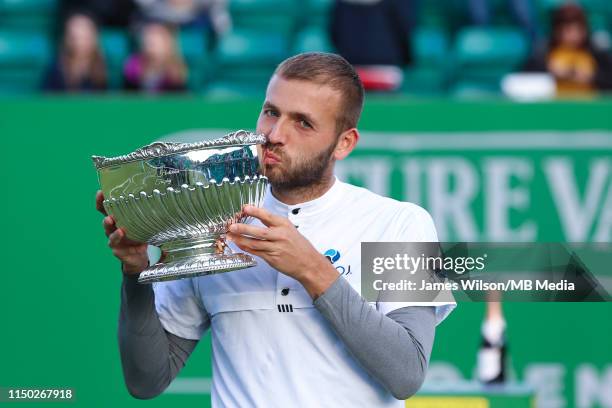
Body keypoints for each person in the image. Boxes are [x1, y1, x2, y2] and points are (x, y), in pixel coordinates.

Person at [96, 52, 456, 406]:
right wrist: (135, 271)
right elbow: (146, 381)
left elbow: (407, 373)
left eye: (303, 123)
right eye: (271, 112)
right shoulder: (214, 219)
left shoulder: (401, 223)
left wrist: (312, 270)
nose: (274, 134)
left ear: (344, 143)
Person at [523, 3, 612, 96]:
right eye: (567, 30)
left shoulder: (596, 51)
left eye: (577, 30)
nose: (572, 36)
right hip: (553, 106)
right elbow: (527, 81)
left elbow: (609, 80)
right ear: (557, 31)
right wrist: (550, 72)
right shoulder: (544, 51)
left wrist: (592, 77)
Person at [42, 12, 107, 92]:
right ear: (67, 39)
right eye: (75, 37)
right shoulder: (56, 69)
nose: (79, 43)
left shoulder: (103, 69)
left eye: (85, 37)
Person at [123, 22, 188, 93]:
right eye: (148, 38)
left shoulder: (176, 71)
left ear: (167, 43)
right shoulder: (134, 66)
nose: (150, 42)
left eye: (156, 39)